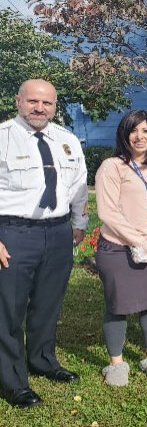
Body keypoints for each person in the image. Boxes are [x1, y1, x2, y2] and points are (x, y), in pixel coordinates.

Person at [0, 78, 88, 407]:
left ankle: (42, 360)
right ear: (18, 101)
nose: (40, 108)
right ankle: (13, 380)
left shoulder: (66, 139)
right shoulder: (3, 136)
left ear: (54, 105)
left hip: (58, 232)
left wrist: (78, 224)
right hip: (13, 232)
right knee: (8, 309)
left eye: (47, 103)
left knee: (48, 304)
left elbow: (79, 184)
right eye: (32, 101)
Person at [94, 110, 147, 386]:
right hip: (119, 247)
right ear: (124, 134)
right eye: (134, 130)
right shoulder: (112, 166)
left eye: (146, 131)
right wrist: (141, 243)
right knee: (117, 306)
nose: (140, 137)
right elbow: (108, 212)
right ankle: (116, 364)